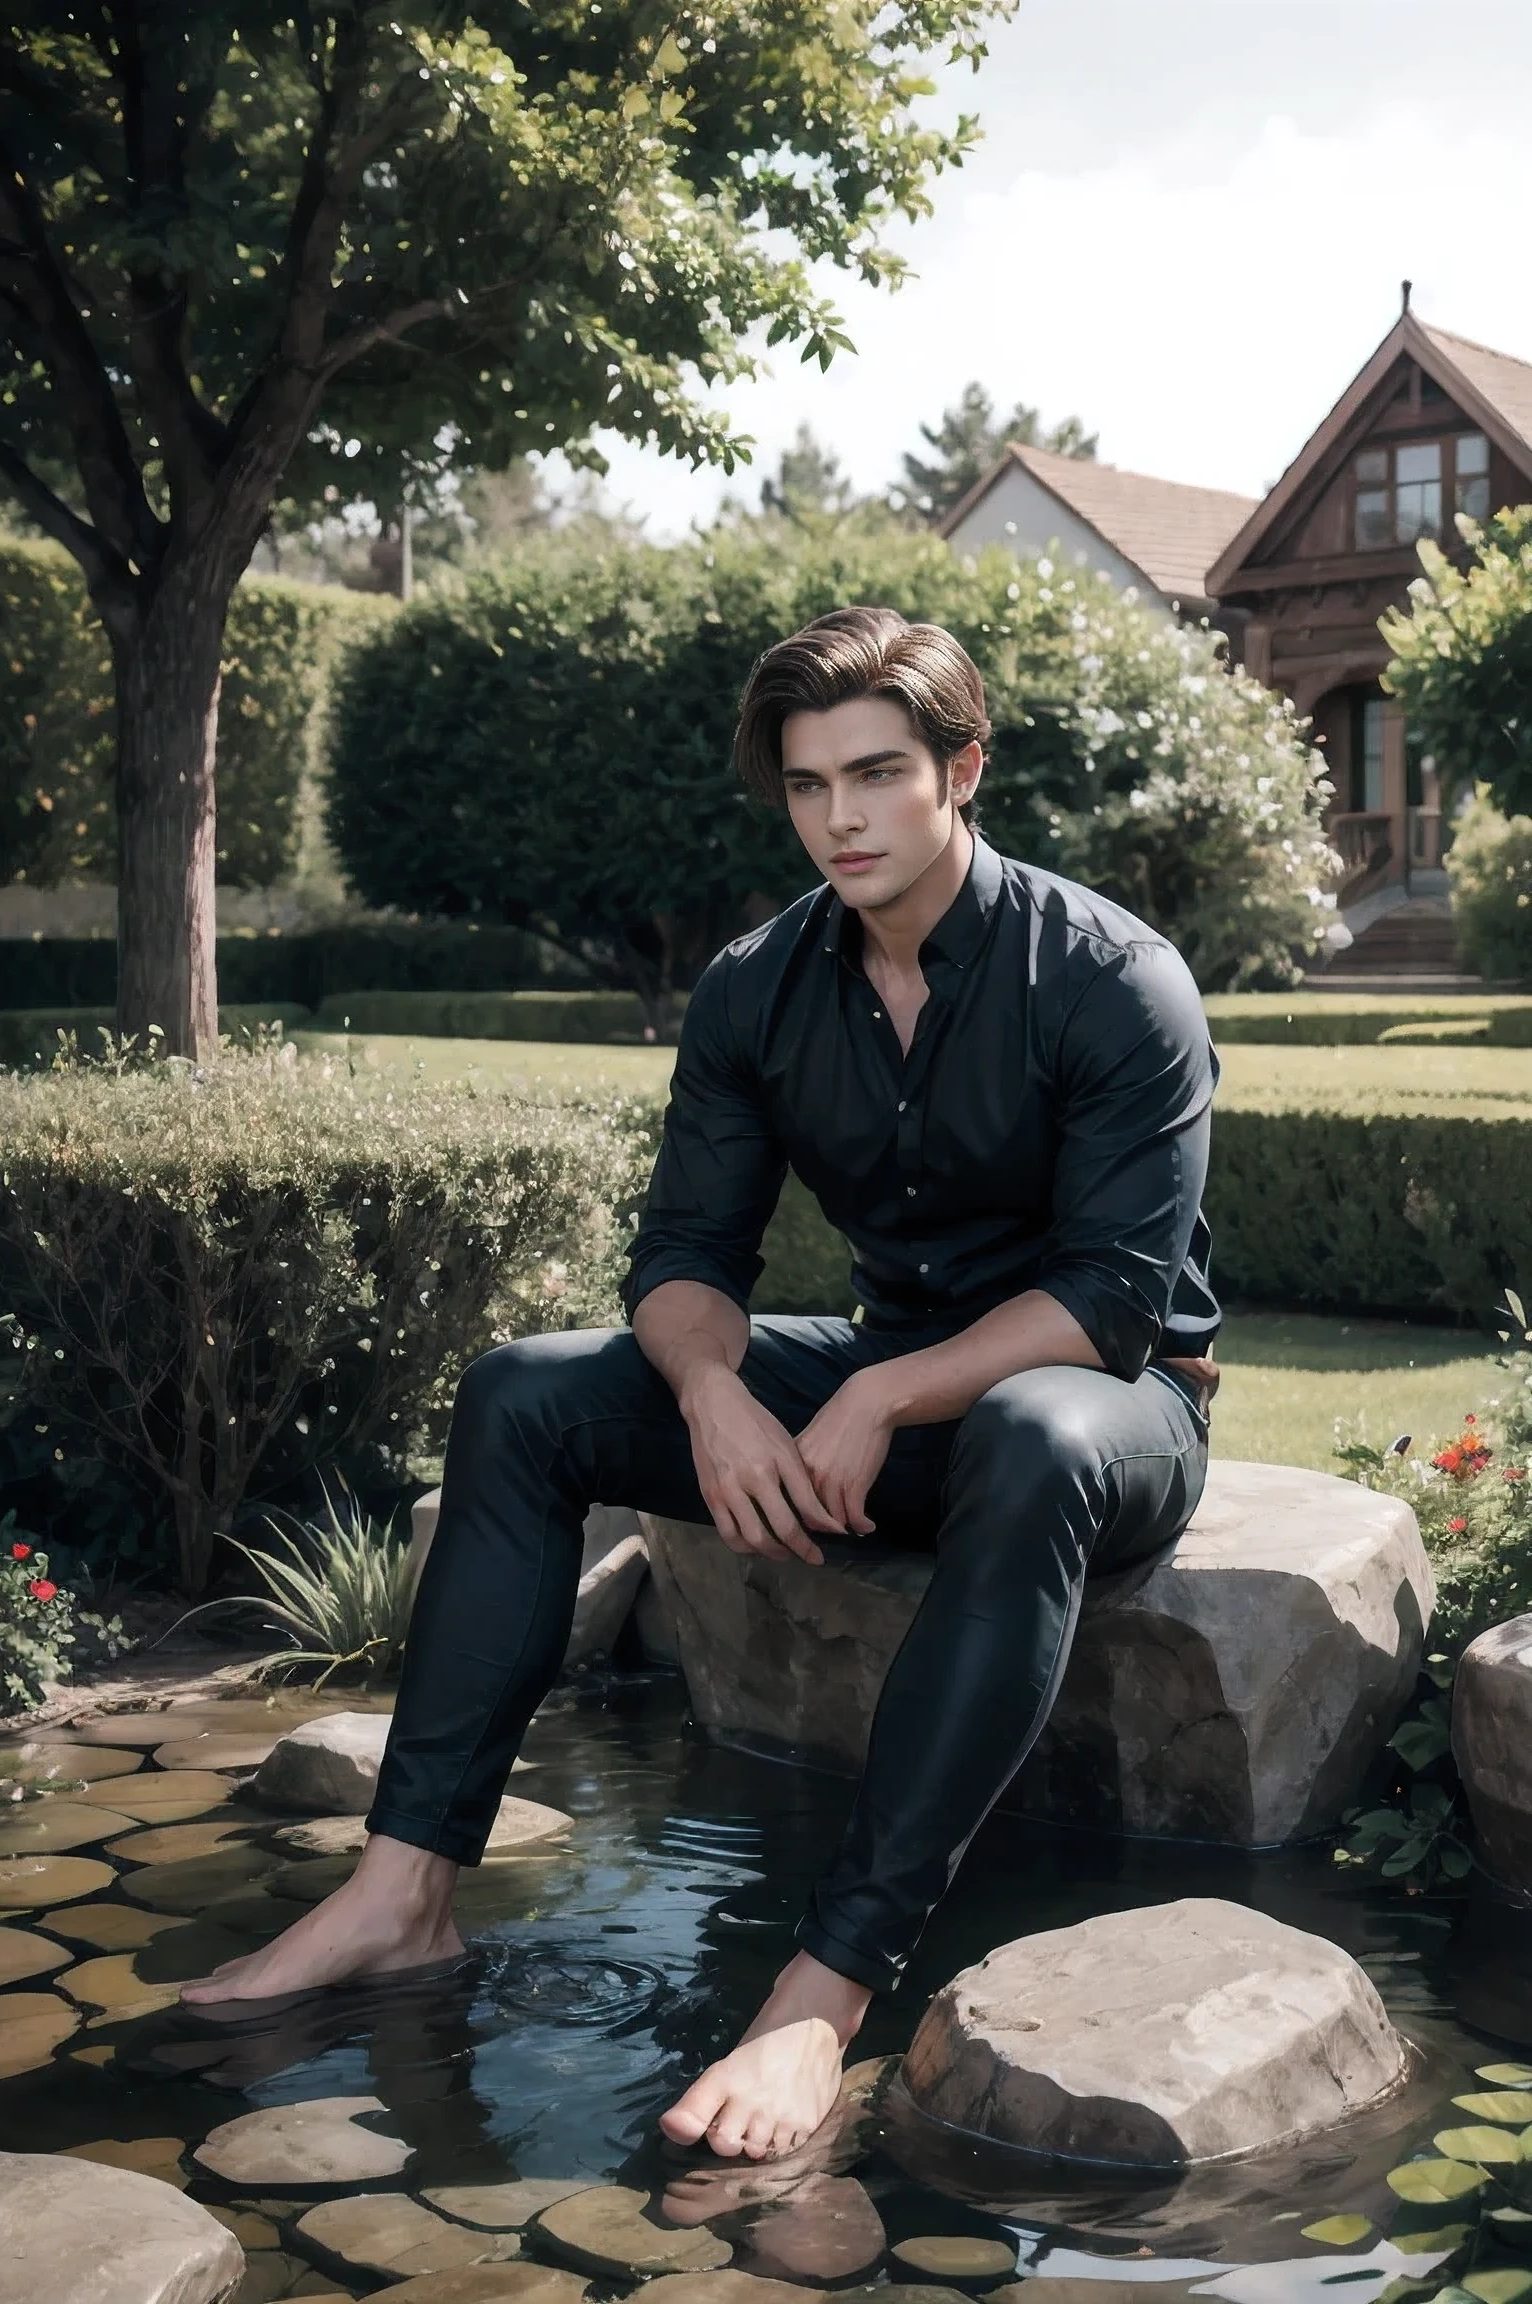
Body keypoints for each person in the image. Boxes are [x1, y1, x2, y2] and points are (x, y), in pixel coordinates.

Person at [183, 606, 1220, 2166]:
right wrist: (718, 1393)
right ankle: (402, 1898)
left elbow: (1113, 1302)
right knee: (526, 1394)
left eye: (877, 774)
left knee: (1022, 1425)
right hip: (904, 1362)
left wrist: (874, 1401)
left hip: (1108, 1406)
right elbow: (682, 1255)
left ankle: (822, 1990)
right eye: (808, 787)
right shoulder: (759, 986)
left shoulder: (1112, 978)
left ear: (964, 769)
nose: (841, 819)